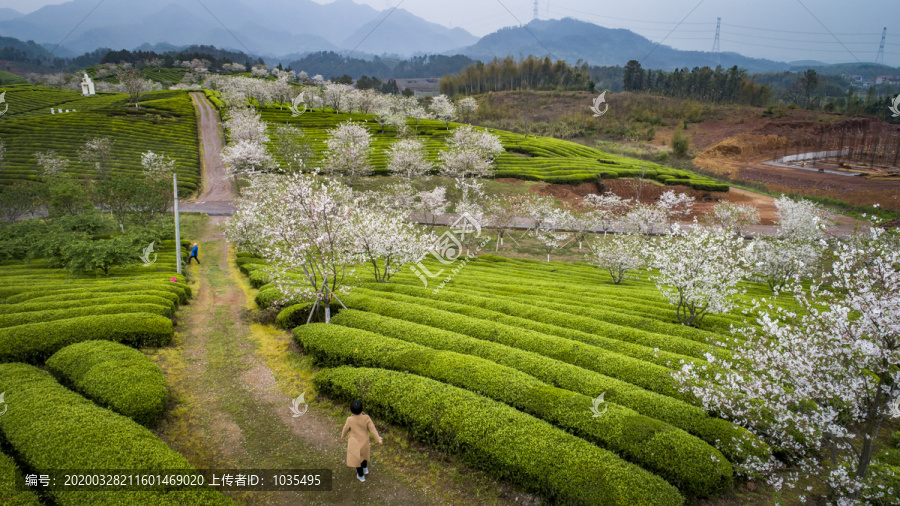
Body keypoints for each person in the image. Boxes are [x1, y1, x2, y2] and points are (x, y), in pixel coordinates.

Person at [340, 399, 382, 482]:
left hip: (354, 442)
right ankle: (365, 468)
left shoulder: (350, 419)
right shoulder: (366, 418)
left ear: (351, 410)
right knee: (364, 456)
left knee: (357, 460)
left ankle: (361, 475)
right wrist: (378, 439)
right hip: (364, 441)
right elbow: (372, 429)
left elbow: (345, 429)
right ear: (362, 409)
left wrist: (343, 436)